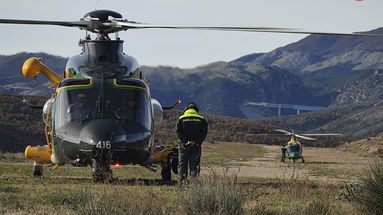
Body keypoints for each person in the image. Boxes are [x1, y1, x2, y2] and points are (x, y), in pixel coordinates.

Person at [176, 102, 208, 185]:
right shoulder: (202, 119)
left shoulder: (181, 119)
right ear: (196, 110)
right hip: (196, 146)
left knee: (182, 165)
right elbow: (204, 133)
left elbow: (178, 133)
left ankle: (182, 183)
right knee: (195, 165)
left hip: (183, 145)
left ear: (186, 109)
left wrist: (186, 141)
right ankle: (194, 183)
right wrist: (196, 142)